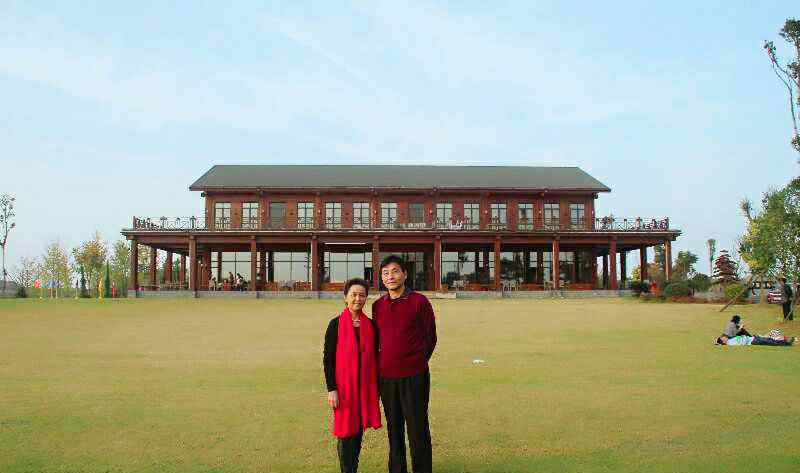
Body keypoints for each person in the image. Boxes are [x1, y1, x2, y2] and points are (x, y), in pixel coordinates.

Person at [372, 255, 437, 473]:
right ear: (381, 278)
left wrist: (416, 361)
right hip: (387, 378)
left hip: (414, 376)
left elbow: (430, 338)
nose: (390, 276)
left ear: (405, 274)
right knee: (394, 428)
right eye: (385, 273)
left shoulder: (419, 302)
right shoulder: (377, 306)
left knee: (418, 428)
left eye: (395, 271)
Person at [323, 278, 381, 473]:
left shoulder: (371, 326)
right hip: (344, 389)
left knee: (357, 432)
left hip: (364, 389)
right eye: (354, 294)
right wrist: (332, 389)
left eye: (362, 295)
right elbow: (328, 360)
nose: (358, 298)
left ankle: (352, 467)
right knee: (345, 433)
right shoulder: (335, 325)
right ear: (345, 298)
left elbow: (375, 358)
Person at [716, 334, 795, 346]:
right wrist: (745, 338)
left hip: (753, 338)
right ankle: (786, 343)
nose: (724, 337)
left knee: (769, 339)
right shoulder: (731, 343)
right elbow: (741, 343)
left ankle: (785, 341)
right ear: (723, 341)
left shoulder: (731, 339)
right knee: (769, 342)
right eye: (723, 338)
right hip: (752, 341)